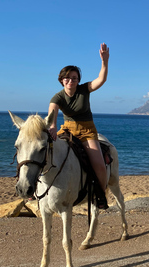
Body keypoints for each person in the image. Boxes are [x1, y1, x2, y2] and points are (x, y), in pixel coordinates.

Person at [48, 43, 110, 209]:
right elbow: (52, 114)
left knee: (99, 166)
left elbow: (101, 79)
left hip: (87, 131)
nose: (71, 81)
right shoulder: (58, 97)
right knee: (45, 151)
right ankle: (36, 188)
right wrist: (52, 127)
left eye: (74, 78)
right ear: (62, 80)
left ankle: (100, 194)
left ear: (78, 80)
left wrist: (105, 61)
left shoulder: (84, 90)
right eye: (67, 78)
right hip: (67, 130)